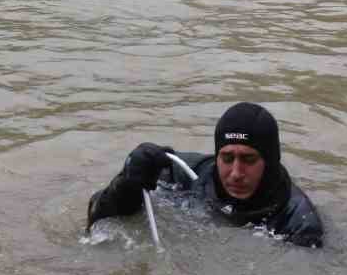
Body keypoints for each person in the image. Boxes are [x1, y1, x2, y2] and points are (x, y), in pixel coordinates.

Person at [85, 101, 324, 247]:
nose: (236, 173)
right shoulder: (183, 174)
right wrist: (126, 182)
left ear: (270, 162)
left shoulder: (298, 222)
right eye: (227, 158)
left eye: (248, 160)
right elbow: (98, 221)